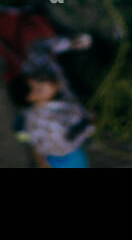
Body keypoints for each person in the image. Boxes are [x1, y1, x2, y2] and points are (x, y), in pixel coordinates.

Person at [7, 32, 96, 168]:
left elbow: (36, 47)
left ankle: (23, 130)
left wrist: (70, 43)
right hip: (56, 148)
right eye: (39, 90)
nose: (48, 82)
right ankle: (24, 135)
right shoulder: (53, 124)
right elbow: (66, 145)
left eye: (39, 77)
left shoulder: (37, 64)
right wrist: (89, 124)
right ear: (35, 101)